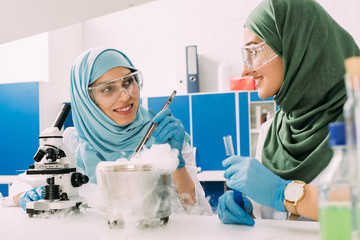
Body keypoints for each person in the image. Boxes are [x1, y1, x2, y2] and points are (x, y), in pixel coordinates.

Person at [7, 47, 212, 215]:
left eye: (128, 82)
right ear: (86, 100)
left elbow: (195, 210)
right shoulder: (71, 143)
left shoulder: (165, 134)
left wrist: (176, 161)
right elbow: (18, 187)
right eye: (107, 89)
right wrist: (28, 197)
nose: (125, 96)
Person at [217, 0, 360, 225]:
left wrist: (284, 192)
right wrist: (247, 214)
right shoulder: (269, 133)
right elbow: (271, 222)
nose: (245, 69)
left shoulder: (355, 125)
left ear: (297, 45)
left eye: (253, 50)